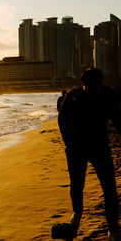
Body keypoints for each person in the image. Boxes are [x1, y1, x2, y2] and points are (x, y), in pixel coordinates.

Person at [58, 68, 121, 240]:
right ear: (82, 84)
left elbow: (117, 119)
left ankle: (113, 229)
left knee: (110, 189)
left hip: (100, 146)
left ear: (101, 84)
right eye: (89, 87)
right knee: (77, 185)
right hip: (76, 148)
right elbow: (62, 120)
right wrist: (69, 143)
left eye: (95, 87)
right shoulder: (72, 97)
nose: (92, 91)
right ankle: (77, 214)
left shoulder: (109, 95)